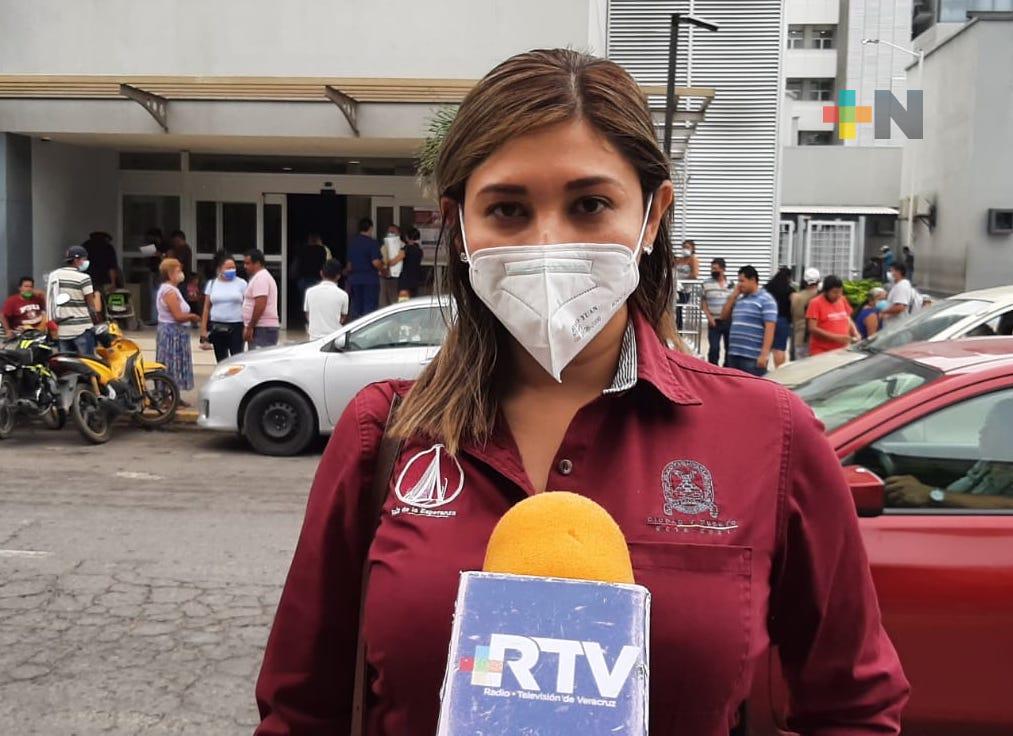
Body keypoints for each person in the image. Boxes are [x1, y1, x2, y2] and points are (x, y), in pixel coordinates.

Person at [255, 49, 907, 736]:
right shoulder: (381, 435)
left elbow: (852, 706)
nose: (547, 242)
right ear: (460, 227)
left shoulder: (767, 434)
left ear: (652, 217)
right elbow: (301, 708)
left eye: (589, 204)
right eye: (506, 209)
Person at [885, 399, 1013, 510]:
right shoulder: (991, 462)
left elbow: (1007, 506)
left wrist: (931, 495)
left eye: (992, 426)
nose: (982, 431)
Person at [721, 265, 778, 377]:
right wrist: (733, 296)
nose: (739, 285)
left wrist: (764, 354)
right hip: (734, 354)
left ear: (753, 280)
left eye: (742, 281)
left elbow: (770, 328)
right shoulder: (740, 300)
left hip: (752, 357)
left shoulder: (766, 300)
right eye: (738, 281)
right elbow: (723, 316)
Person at [155, 258, 198, 397]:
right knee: (171, 365)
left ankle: (175, 396)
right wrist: (192, 317)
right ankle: (167, 396)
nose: (181, 274)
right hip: (171, 334)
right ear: (170, 273)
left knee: (175, 366)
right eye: (179, 271)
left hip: (177, 333)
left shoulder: (174, 290)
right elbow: (178, 316)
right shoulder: (169, 292)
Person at [48, 245, 102, 355]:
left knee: (67, 365)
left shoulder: (54, 276)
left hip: (63, 330)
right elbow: (91, 306)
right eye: (84, 259)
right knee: (87, 364)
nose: (86, 262)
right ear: (77, 260)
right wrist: (98, 321)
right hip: (82, 329)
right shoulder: (83, 278)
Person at [200, 255, 247, 362]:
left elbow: (247, 305)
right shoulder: (212, 284)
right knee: (221, 359)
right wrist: (203, 329)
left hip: (236, 326)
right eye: (228, 268)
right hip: (217, 326)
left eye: (233, 267)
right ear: (219, 269)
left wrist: (247, 326)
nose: (232, 270)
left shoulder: (242, 283)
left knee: (237, 359)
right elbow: (206, 308)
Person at [805, 275, 860, 356]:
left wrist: (855, 333)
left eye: (840, 291)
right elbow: (812, 328)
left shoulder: (842, 299)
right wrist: (836, 338)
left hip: (842, 350)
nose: (838, 295)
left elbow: (848, 318)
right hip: (822, 351)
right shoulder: (815, 303)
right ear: (826, 291)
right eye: (834, 292)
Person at [242, 249, 280, 349]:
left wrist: (250, 327)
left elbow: (260, 304)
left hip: (262, 328)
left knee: (258, 361)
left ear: (257, 263)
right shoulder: (258, 277)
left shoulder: (261, 278)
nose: (245, 266)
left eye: (248, 263)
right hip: (260, 327)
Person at [346, 217, 383, 318]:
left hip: (355, 280)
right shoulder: (372, 243)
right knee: (370, 310)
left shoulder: (352, 243)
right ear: (371, 228)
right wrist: (383, 269)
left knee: (356, 309)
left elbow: (349, 266)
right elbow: (375, 262)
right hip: (370, 280)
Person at [303, 258, 349, 340]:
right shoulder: (343, 295)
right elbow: (343, 318)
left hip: (314, 338)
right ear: (338, 276)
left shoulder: (309, 292)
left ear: (321, 273)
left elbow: (308, 314)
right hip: (334, 339)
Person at [700, 257, 732, 365]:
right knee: (714, 349)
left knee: (729, 349)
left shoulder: (731, 284)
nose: (713, 271)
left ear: (723, 269)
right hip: (714, 321)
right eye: (712, 268)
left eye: (716, 269)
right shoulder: (706, 283)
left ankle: (727, 370)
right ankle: (713, 369)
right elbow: (703, 303)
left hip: (729, 322)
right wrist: (709, 317)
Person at [764, 265, 796, 368]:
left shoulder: (767, 287)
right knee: (779, 349)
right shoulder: (790, 290)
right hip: (783, 321)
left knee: (766, 347)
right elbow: (793, 307)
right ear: (789, 277)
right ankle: (779, 371)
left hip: (767, 320)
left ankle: (762, 371)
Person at [790, 267, 820, 361]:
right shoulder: (821, 296)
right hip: (817, 340)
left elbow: (792, 316)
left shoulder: (795, 297)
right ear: (818, 280)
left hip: (799, 338)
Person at [297, 233, 332, 303]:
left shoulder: (303, 249)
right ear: (319, 240)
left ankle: (307, 314)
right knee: (317, 303)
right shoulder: (323, 250)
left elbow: (298, 263)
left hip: (304, 279)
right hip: (318, 279)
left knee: (306, 303)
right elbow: (329, 263)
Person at [674, 238, 699, 330]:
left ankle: (679, 330)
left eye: (687, 247)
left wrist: (683, 281)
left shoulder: (693, 259)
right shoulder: (680, 259)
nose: (685, 249)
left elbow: (695, 274)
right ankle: (675, 329)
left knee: (678, 307)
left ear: (692, 249)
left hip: (684, 290)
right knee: (674, 308)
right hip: (675, 288)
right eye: (683, 247)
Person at [395, 227, 425, 300]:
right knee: (413, 303)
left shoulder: (406, 249)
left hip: (405, 281)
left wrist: (388, 263)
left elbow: (396, 260)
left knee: (403, 303)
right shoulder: (419, 250)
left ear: (407, 237)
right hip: (416, 280)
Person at [380, 225, 404, 308]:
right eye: (389, 232)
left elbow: (394, 261)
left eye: (393, 232)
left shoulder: (402, 245)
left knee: (394, 302)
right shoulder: (383, 246)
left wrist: (387, 262)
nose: (391, 234)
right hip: (384, 277)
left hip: (396, 278)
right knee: (383, 302)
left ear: (399, 233)